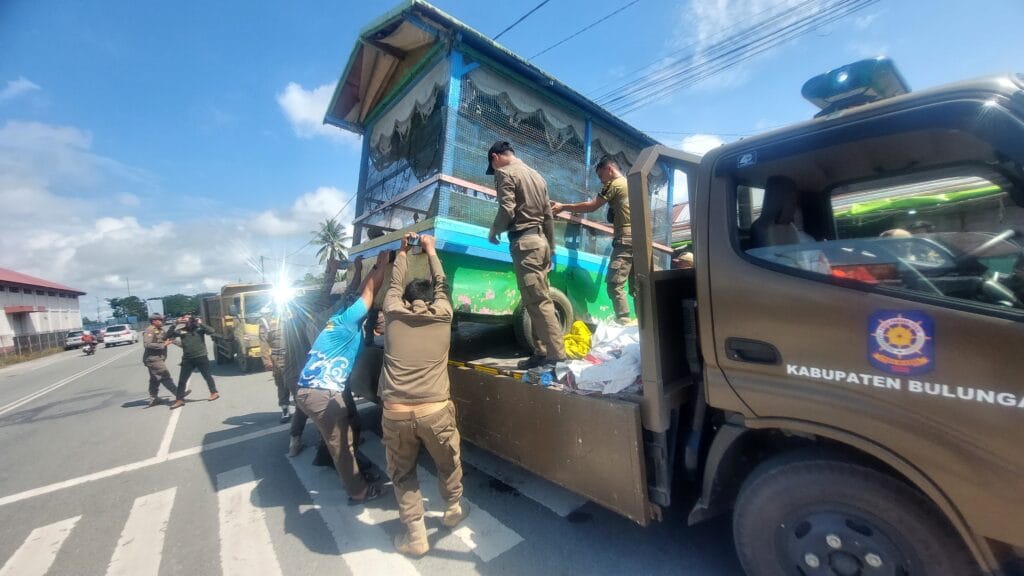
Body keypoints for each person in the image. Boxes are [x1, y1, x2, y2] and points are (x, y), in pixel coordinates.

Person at [380, 233, 468, 557]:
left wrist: (402, 252)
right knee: (449, 463)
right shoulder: (443, 314)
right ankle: (453, 508)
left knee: (403, 474)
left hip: (396, 413)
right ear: (431, 299)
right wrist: (430, 251)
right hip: (435, 412)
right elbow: (443, 283)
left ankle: (415, 534)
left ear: (403, 299)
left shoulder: (391, 312)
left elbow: (393, 284)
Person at [294, 250, 389, 504]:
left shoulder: (338, 320)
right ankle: (358, 491)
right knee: (343, 444)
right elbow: (369, 292)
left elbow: (362, 291)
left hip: (314, 390)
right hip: (321, 392)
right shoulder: (347, 321)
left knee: (348, 426)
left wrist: (364, 270)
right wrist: (383, 263)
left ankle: (329, 460)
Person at [485, 141, 567, 369]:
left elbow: (507, 209)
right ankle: (541, 352)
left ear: (495, 157)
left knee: (538, 301)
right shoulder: (537, 176)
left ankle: (556, 357)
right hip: (540, 243)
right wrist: (551, 248)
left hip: (525, 243)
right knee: (534, 299)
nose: (495, 170)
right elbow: (548, 216)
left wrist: (494, 229)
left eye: (493, 165)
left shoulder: (505, 173)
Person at [551, 155, 635, 325]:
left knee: (615, 284)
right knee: (638, 287)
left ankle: (624, 320)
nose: (601, 182)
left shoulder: (614, 184)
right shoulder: (631, 185)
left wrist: (563, 207)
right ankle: (644, 326)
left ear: (609, 169)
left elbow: (592, 206)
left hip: (625, 240)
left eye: (601, 176)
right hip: (638, 240)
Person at [166, 313, 219, 409]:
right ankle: (179, 400)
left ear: (192, 320)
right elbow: (168, 336)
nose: (186, 320)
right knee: (182, 380)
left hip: (201, 356)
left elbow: (212, 331)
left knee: (207, 376)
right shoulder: (182, 331)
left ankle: (214, 392)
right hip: (187, 359)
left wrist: (200, 323)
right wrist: (175, 323)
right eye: (185, 318)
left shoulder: (199, 329)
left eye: (188, 318)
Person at [259, 306, 291, 423]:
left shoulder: (291, 313)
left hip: (295, 354)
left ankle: (303, 408)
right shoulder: (265, 321)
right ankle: (285, 409)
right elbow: (263, 342)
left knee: (299, 382)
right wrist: (266, 360)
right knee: (282, 384)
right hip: (279, 357)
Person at [142, 313, 178, 407]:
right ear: (154, 321)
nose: (162, 321)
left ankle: (154, 398)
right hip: (153, 359)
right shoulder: (150, 330)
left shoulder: (160, 330)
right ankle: (179, 394)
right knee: (165, 376)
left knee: (154, 380)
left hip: (158, 358)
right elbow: (147, 344)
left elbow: (167, 338)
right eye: (160, 320)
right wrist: (163, 345)